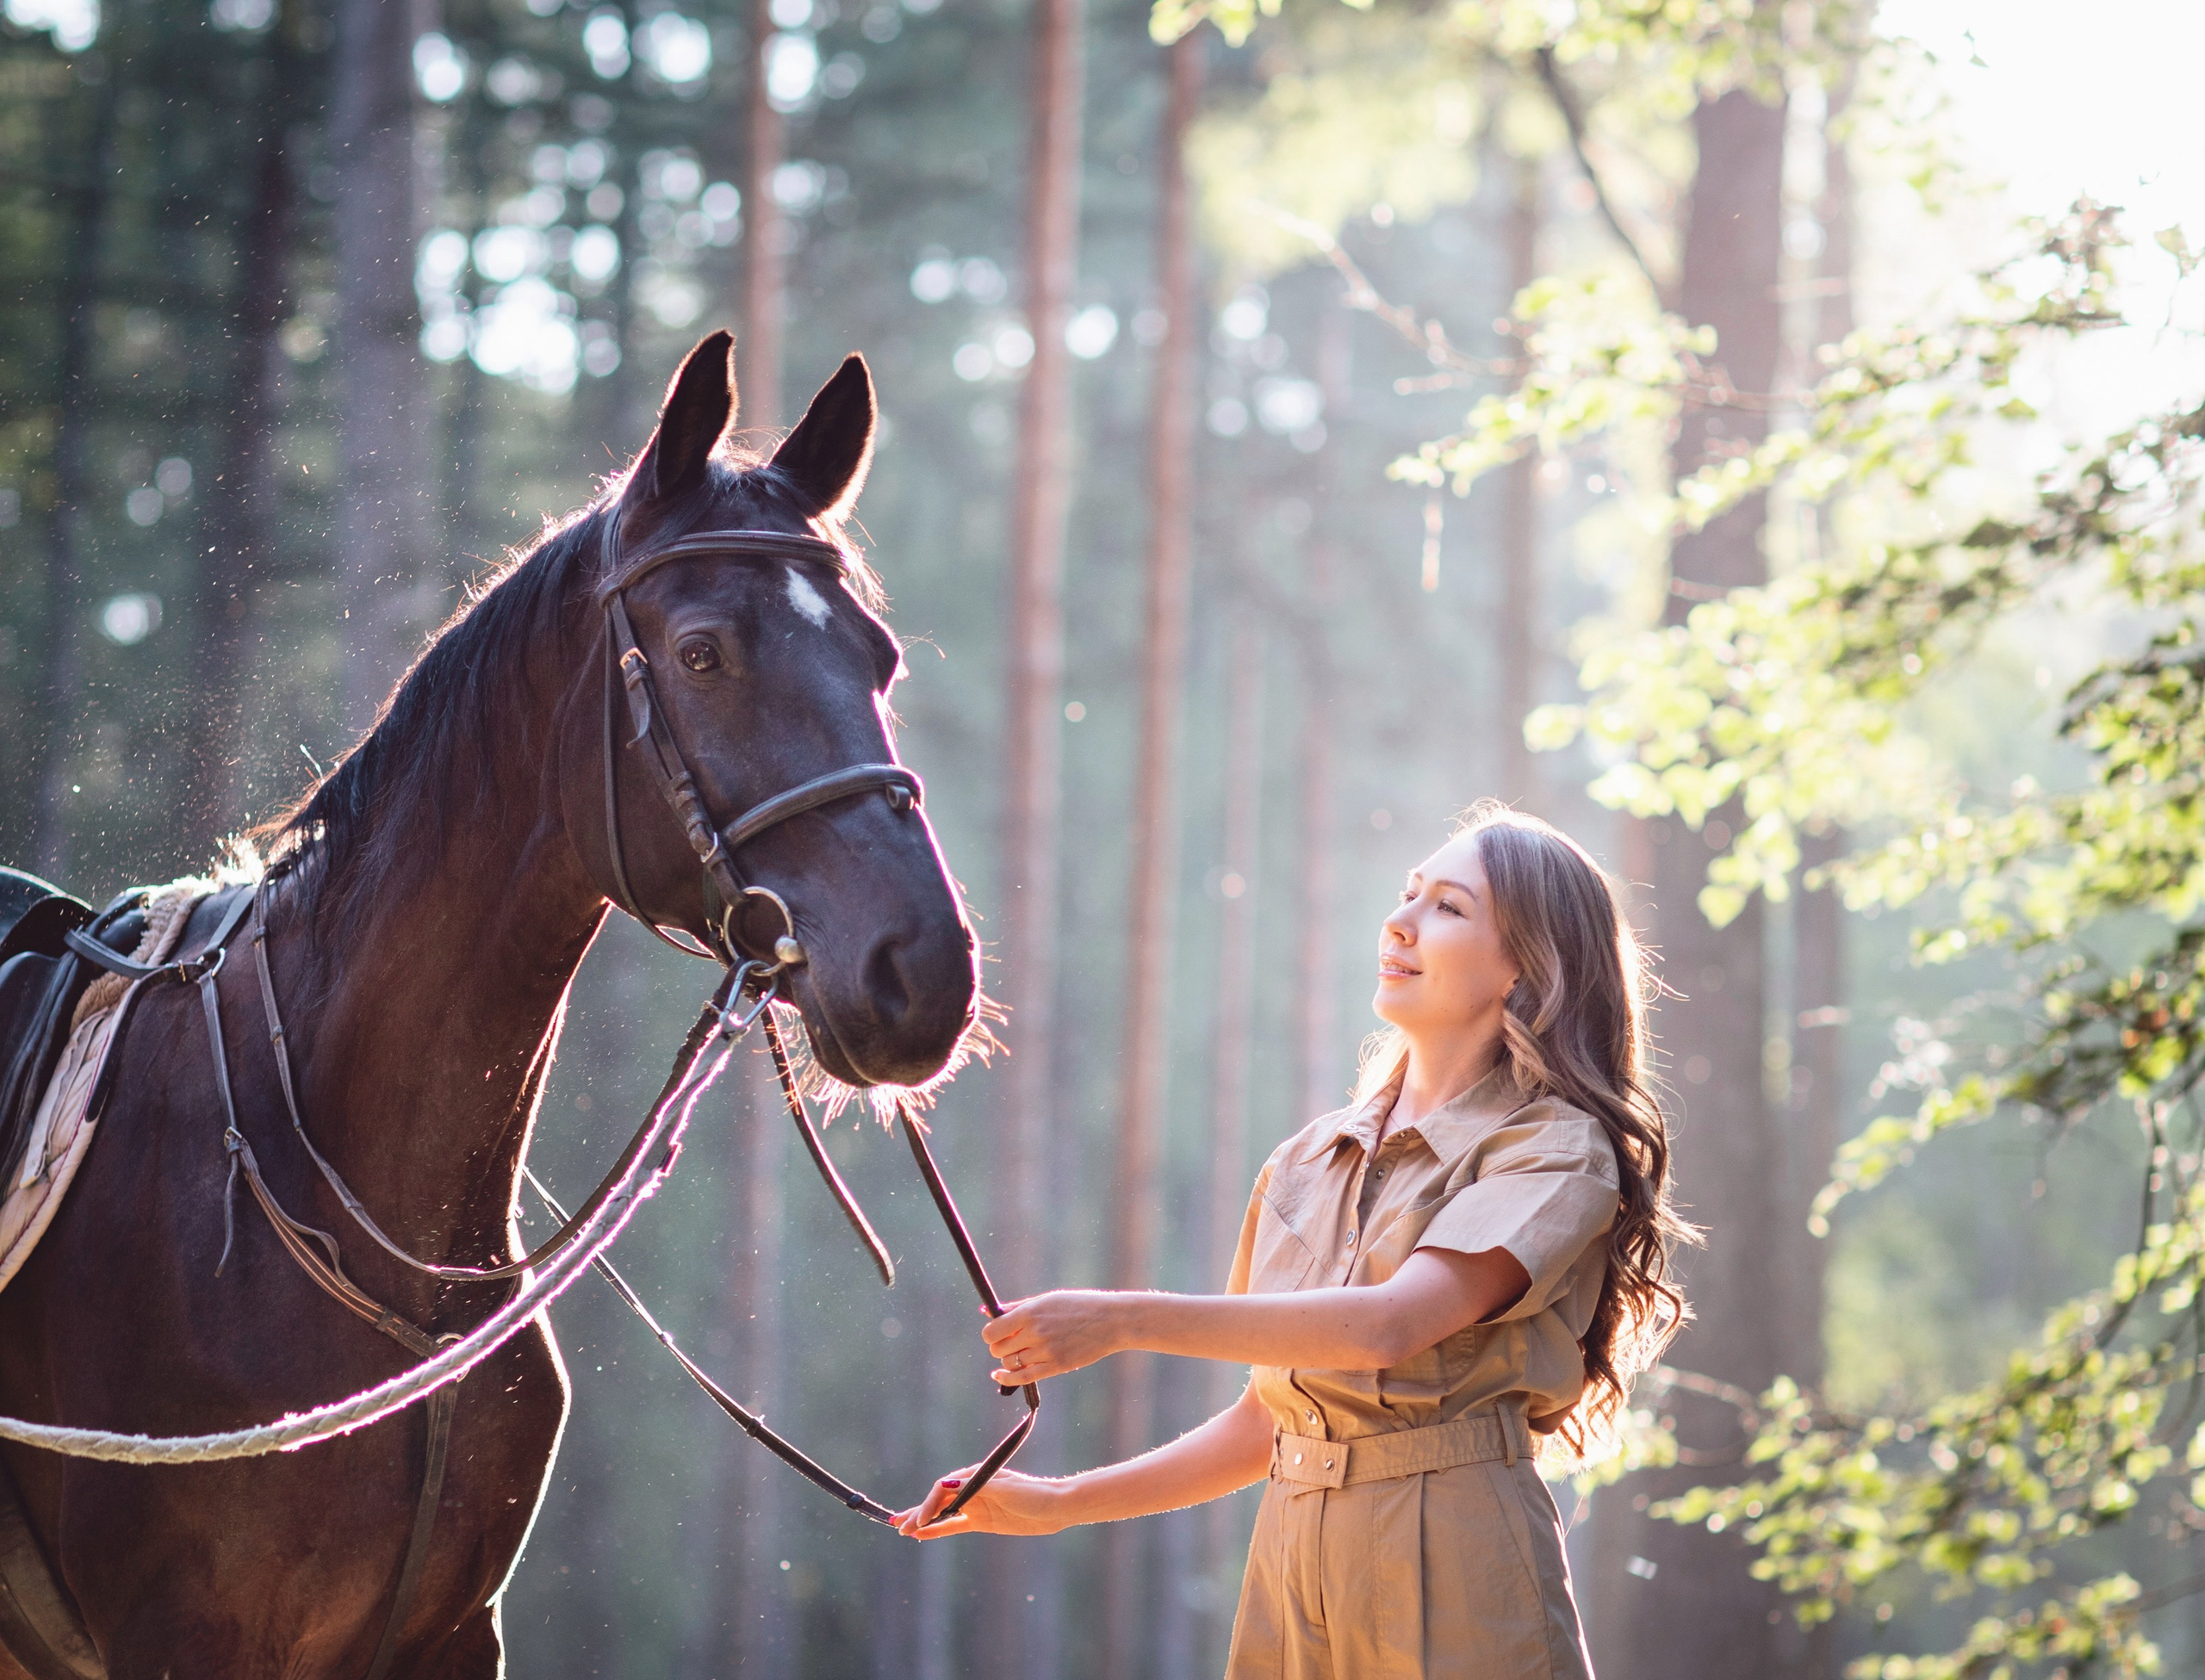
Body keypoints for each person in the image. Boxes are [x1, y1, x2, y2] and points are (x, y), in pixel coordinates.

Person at [894, 803, 1691, 1678]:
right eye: (1407, 893)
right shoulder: (1306, 1159)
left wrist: (1122, 1320)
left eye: (1448, 908)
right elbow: (1265, 1420)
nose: (1399, 921)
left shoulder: (1552, 1147)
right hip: (1288, 1572)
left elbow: (1388, 1325)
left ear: (1523, 969)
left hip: (1460, 1565)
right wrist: (1058, 1501)